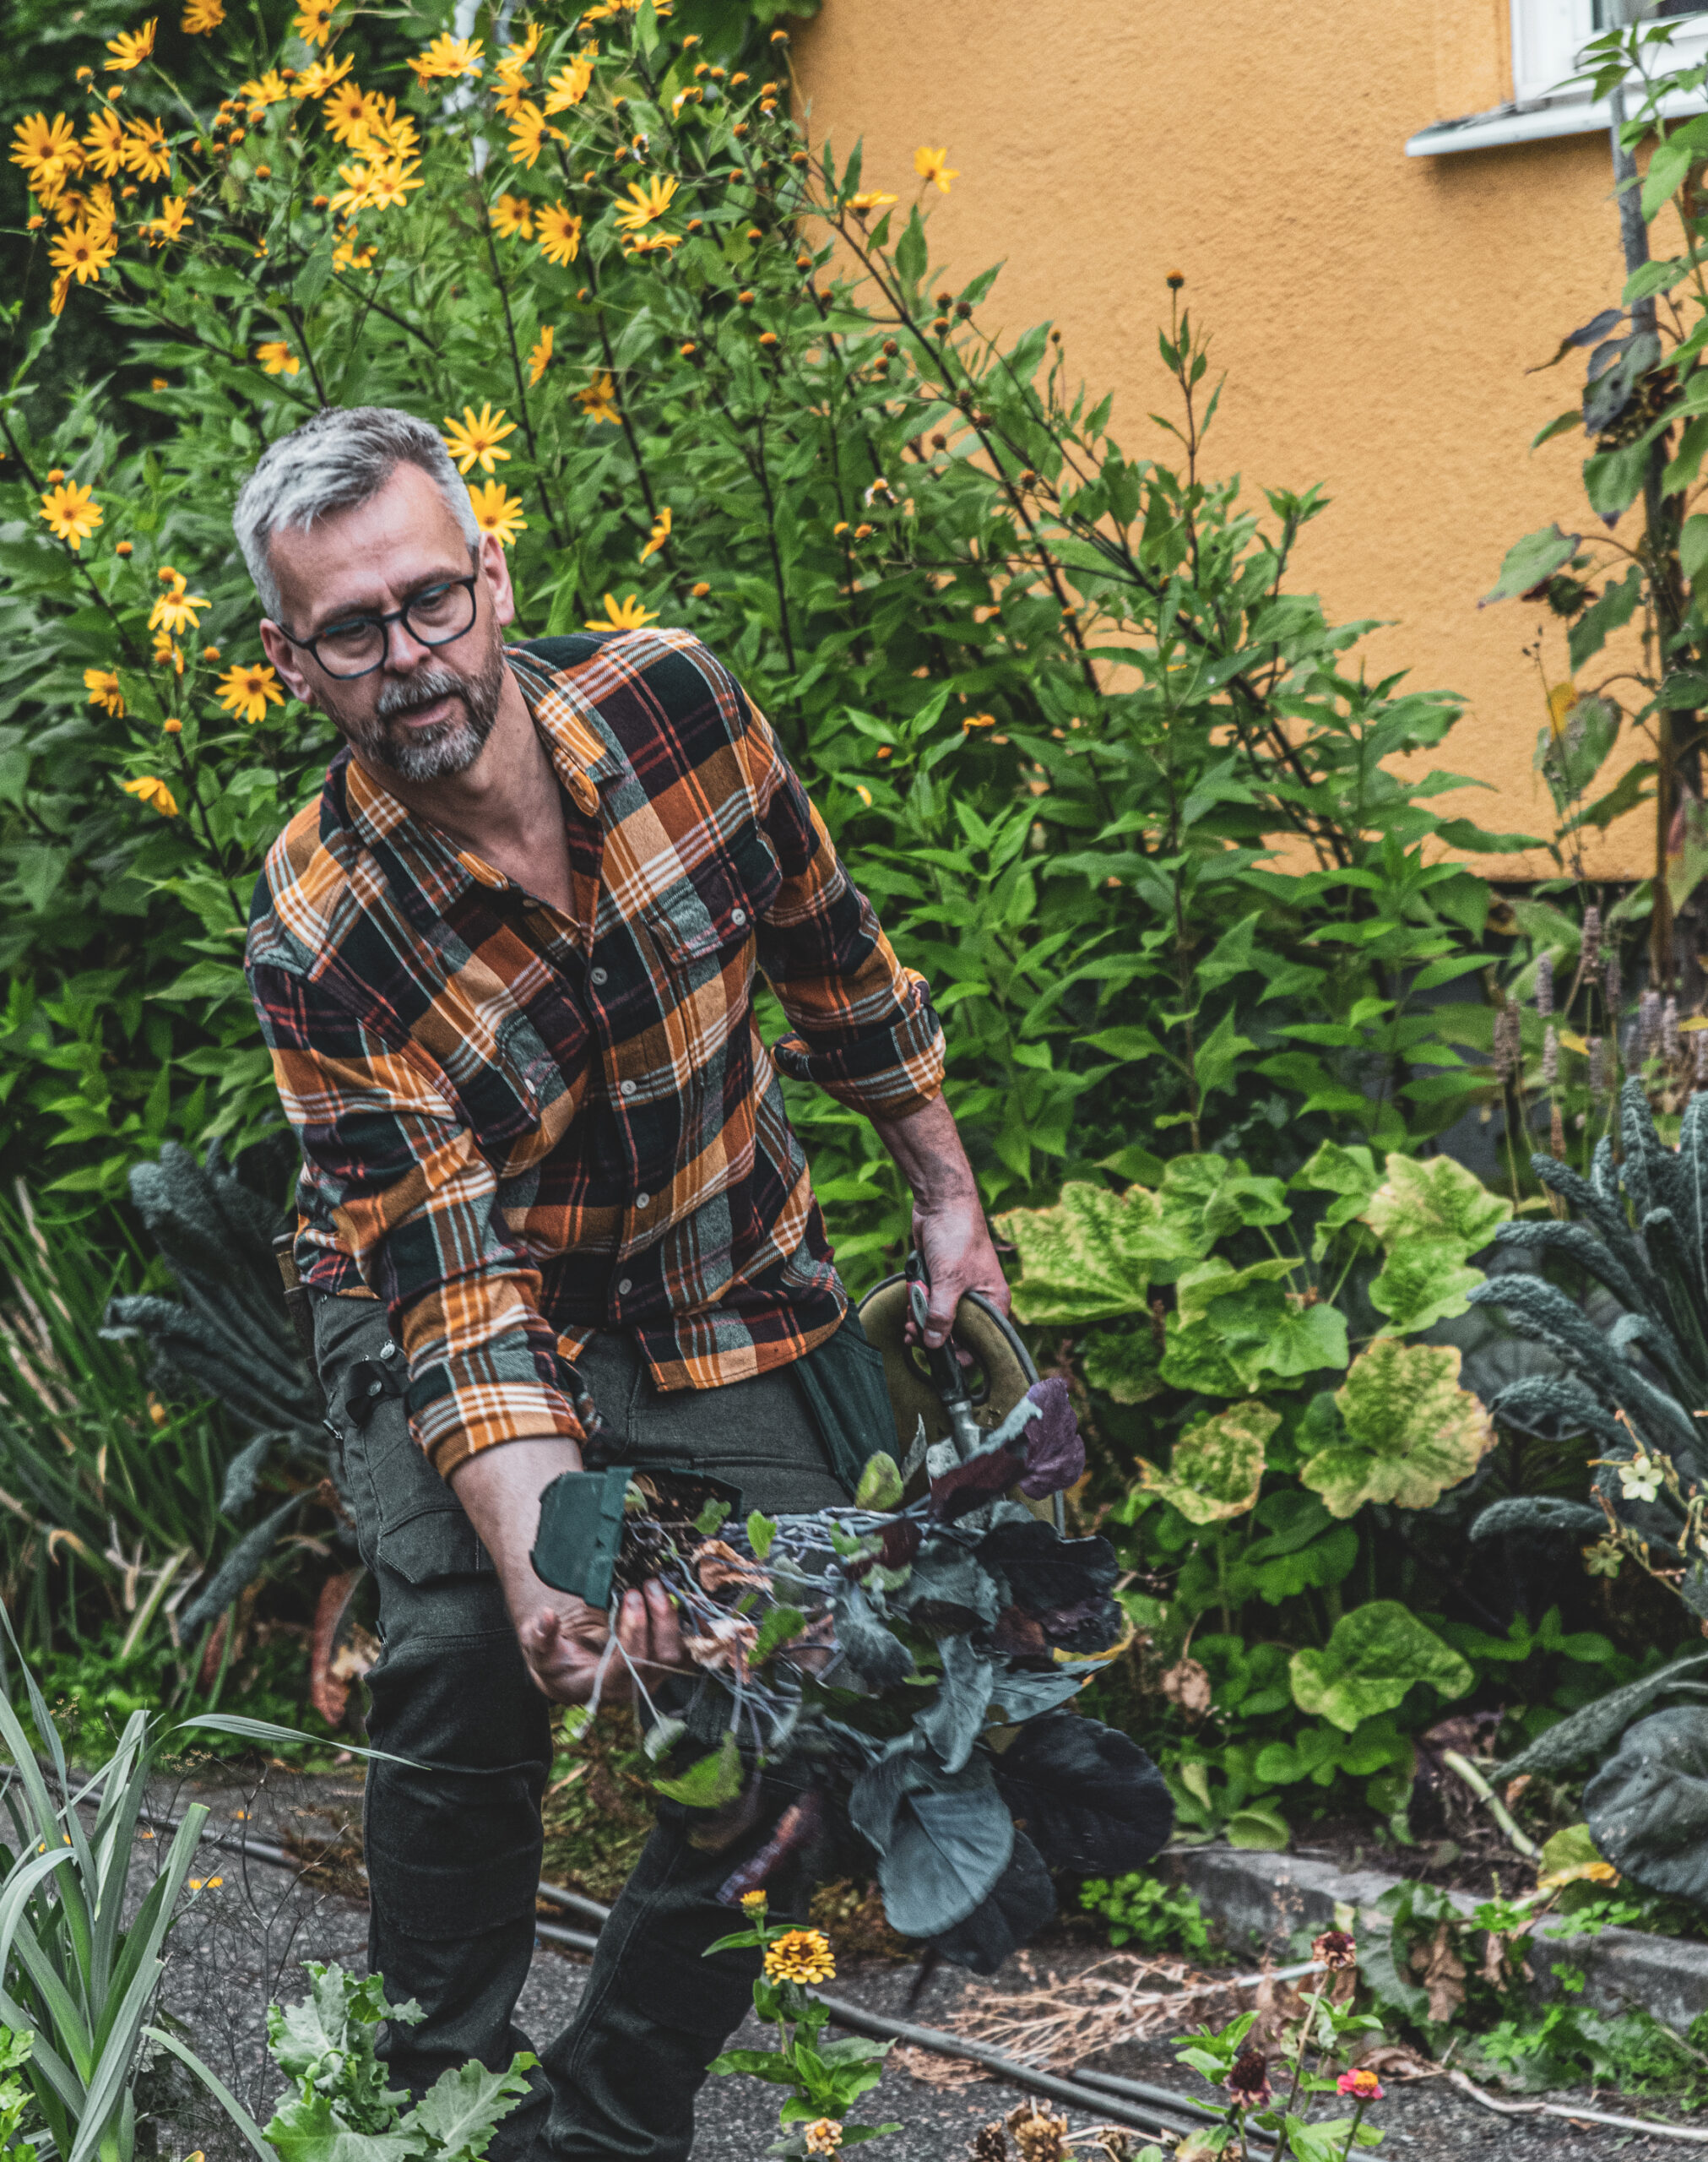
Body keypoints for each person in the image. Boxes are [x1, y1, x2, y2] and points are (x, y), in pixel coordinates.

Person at [236, 404, 1011, 2162]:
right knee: (457, 1653)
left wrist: (945, 1197)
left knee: (826, 1676)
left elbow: (833, 952)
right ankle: (436, 2092)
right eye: (352, 632)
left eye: (429, 601)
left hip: (714, 1264)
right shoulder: (316, 920)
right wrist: (541, 1560)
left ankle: (608, 2113)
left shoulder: (677, 705)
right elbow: (447, 1276)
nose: (408, 660)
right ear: (293, 662)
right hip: (447, 1294)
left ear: (491, 575)